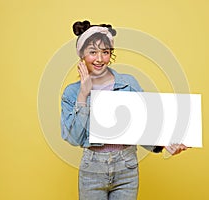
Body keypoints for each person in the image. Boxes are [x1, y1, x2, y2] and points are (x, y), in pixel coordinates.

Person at [60, 20, 187, 200]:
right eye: (92, 52)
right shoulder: (72, 92)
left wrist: (165, 142)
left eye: (105, 52)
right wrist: (83, 95)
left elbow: (144, 123)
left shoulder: (128, 83)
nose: (99, 59)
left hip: (126, 167)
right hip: (92, 169)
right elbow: (73, 137)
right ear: (82, 55)